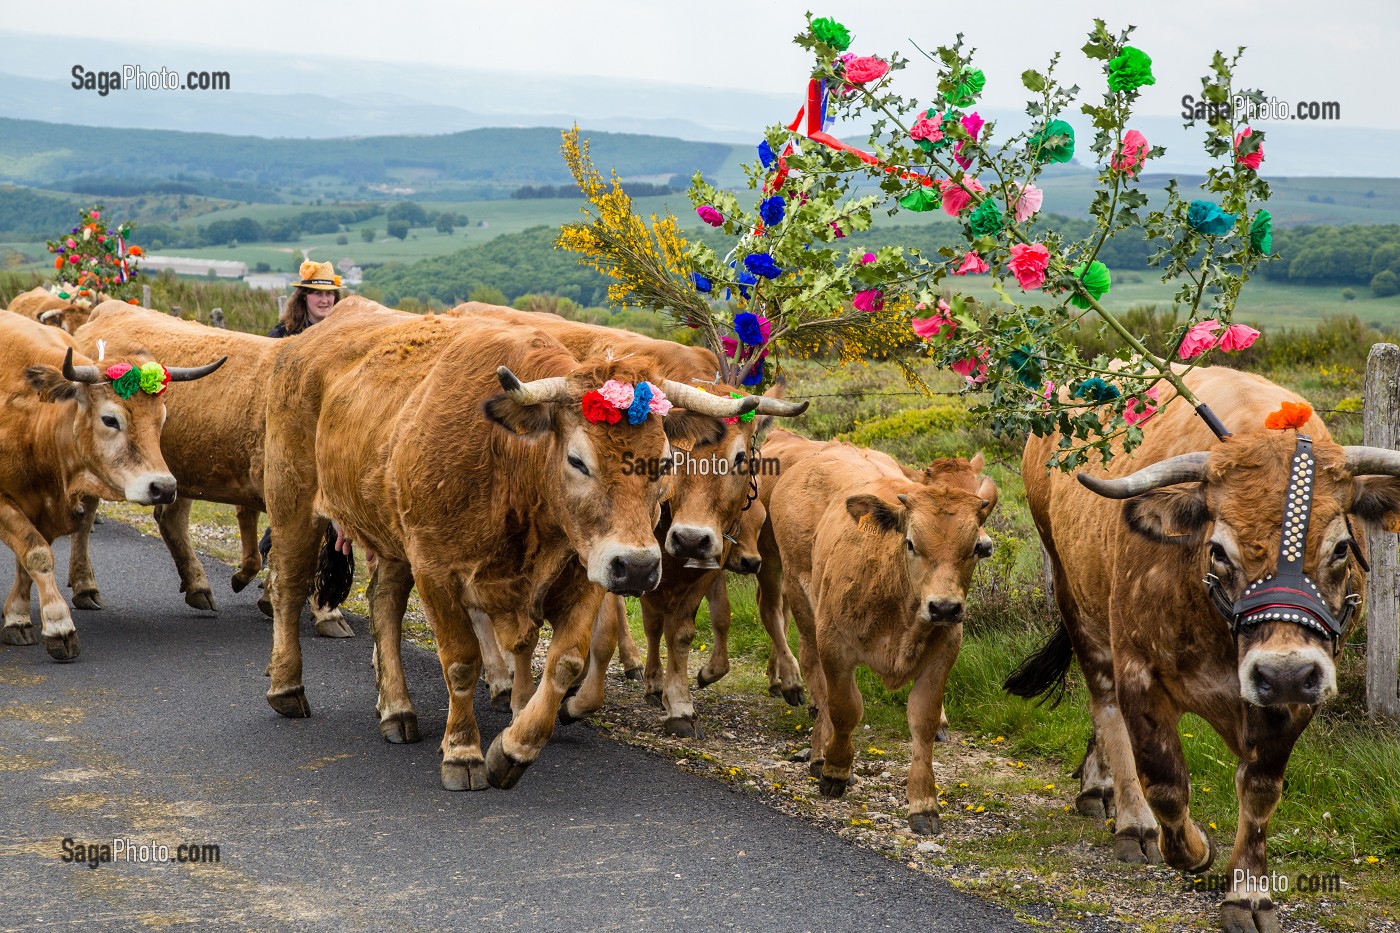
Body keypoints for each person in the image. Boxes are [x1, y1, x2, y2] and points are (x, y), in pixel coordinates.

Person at [268, 259, 342, 337]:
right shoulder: (282, 334)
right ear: (304, 296)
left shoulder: (343, 334)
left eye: (329, 293)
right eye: (317, 293)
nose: (324, 300)